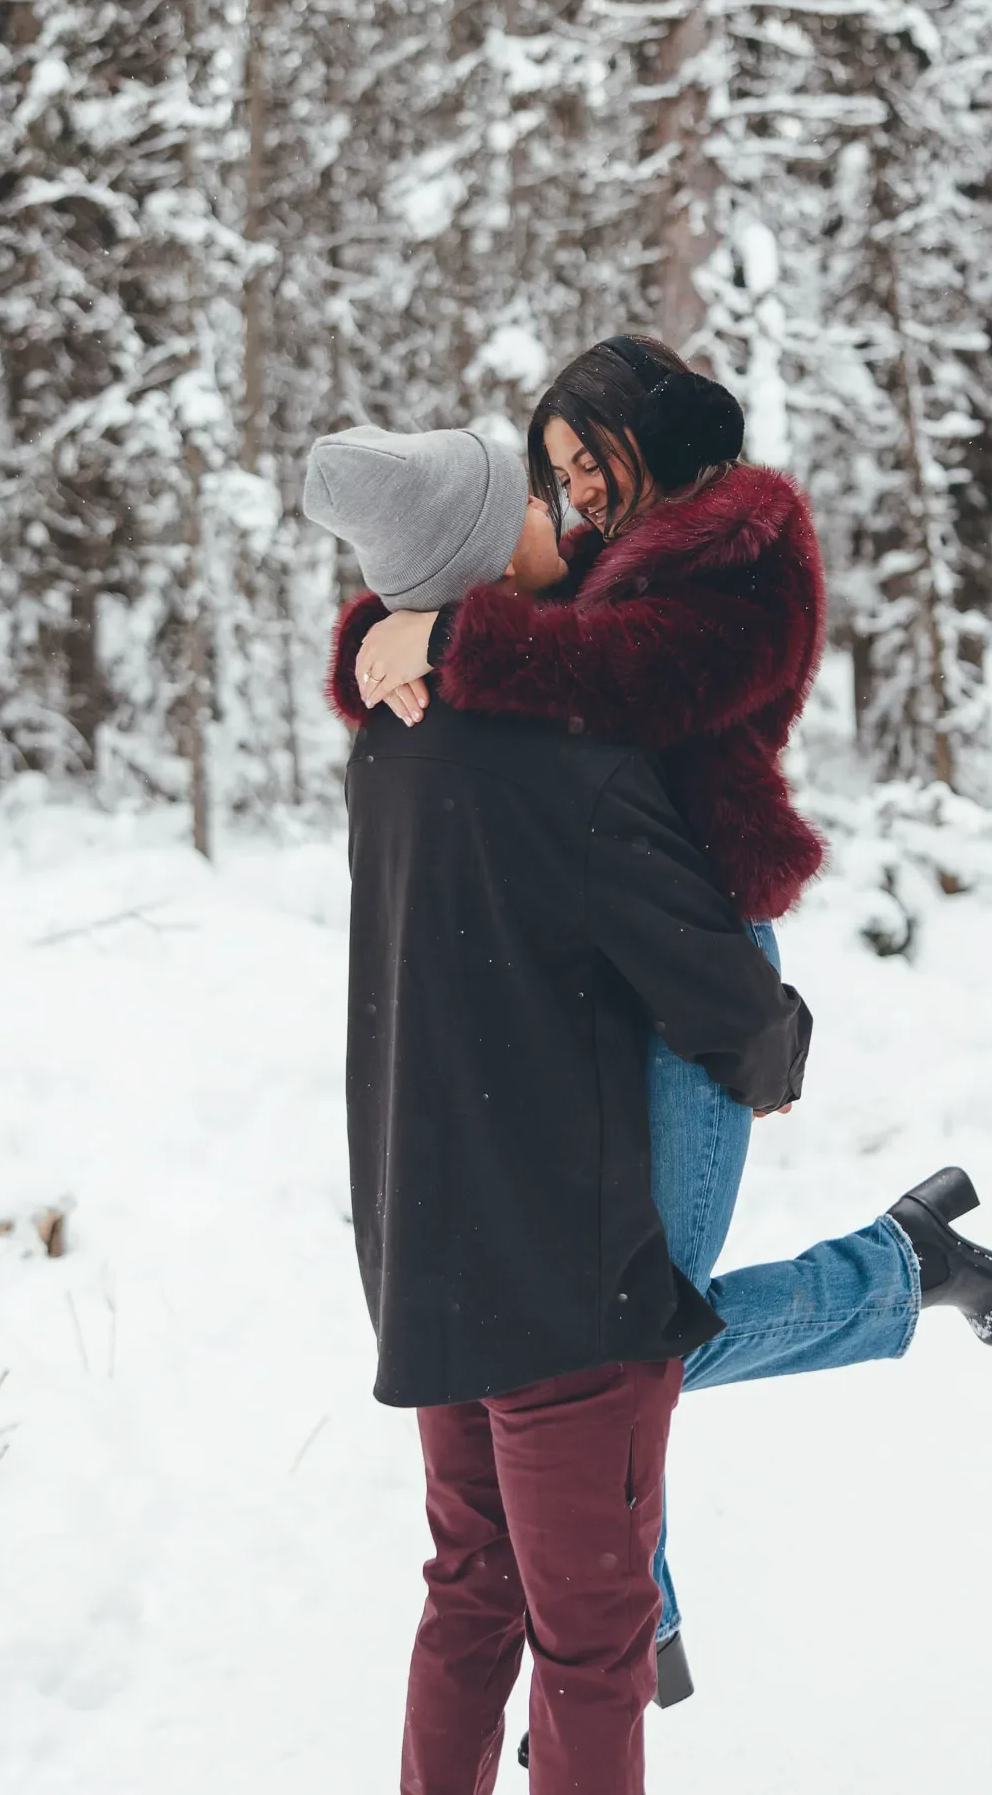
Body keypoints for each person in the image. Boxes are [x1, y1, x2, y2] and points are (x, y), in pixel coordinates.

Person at [320, 343, 992, 1704]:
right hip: (598, 960)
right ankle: (633, 1635)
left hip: (700, 958)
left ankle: (891, 1278)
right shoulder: (595, 564)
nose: (574, 494)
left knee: (635, 1335)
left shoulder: (746, 562)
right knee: (598, 1337)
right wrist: (380, 641)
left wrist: (442, 640)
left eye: (595, 463)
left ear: (661, 436)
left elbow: (611, 688)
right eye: (557, 472)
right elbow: (484, 618)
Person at [304, 424, 813, 1795]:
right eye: (526, 496)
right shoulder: (563, 758)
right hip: (563, 1277)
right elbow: (714, 996)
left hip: (428, 1257)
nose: (553, 508)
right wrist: (779, 1045)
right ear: (487, 546)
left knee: (468, 1592)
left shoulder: (393, 746)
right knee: (592, 1639)